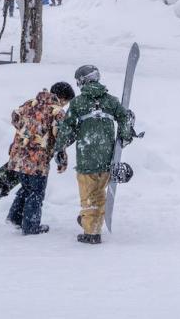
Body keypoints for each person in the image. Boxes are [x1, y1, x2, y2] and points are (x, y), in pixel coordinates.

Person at [54, 64, 137, 244]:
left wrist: (60, 148)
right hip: (107, 158)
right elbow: (125, 118)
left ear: (83, 81)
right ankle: (92, 222)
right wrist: (125, 135)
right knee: (99, 194)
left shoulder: (77, 103)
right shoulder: (111, 101)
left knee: (88, 196)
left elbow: (68, 128)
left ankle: (91, 233)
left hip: (87, 158)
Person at [5, 81, 75, 235]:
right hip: (37, 161)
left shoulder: (31, 103)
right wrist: (62, 159)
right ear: (62, 98)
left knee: (26, 188)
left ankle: (15, 217)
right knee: (36, 193)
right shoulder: (57, 112)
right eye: (66, 102)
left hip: (18, 157)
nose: (64, 106)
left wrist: (27, 134)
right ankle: (31, 226)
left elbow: (15, 116)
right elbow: (61, 138)